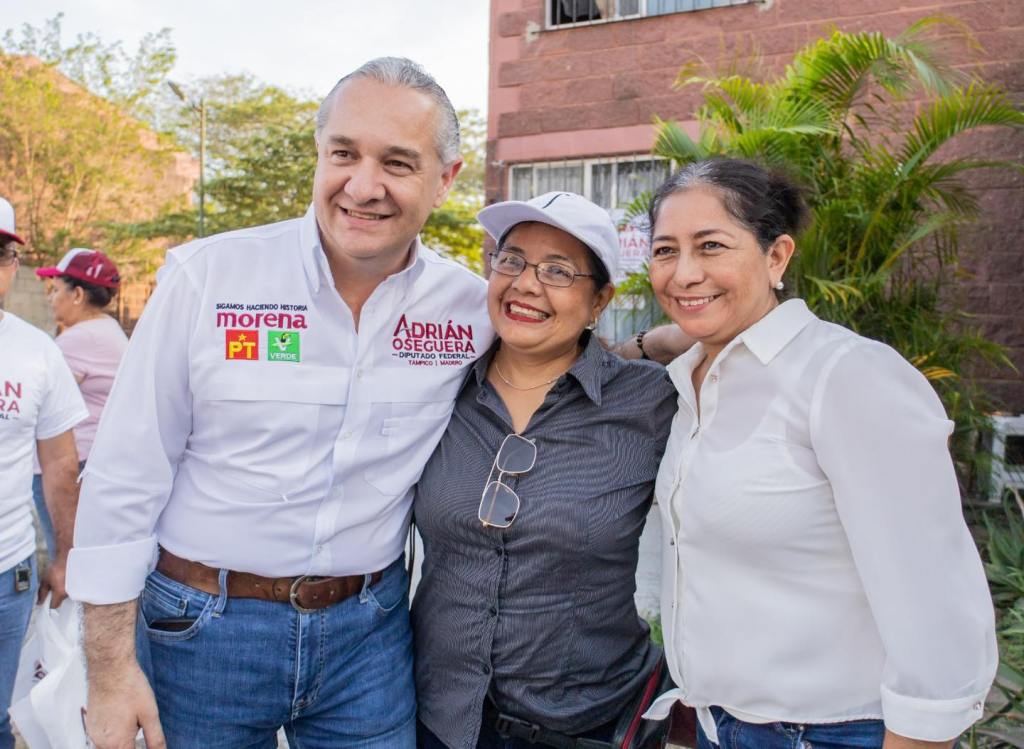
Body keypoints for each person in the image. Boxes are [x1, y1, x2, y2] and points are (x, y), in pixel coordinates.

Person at [66, 58, 493, 749]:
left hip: (371, 638)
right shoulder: (208, 279)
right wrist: (109, 671)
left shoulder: (471, 310)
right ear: (318, 156)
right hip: (198, 633)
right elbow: (124, 473)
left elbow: (561, 353)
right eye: (344, 154)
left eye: (398, 163)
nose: (364, 186)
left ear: (446, 178)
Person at [640, 159, 997, 749]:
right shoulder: (688, 380)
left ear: (777, 257)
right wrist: (647, 345)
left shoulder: (845, 375)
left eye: (711, 247)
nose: (683, 273)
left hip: (831, 733)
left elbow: (935, 600)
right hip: (716, 726)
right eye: (665, 251)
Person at [413, 192, 678, 749]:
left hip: (588, 722)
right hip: (437, 717)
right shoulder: (438, 385)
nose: (526, 284)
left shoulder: (651, 403)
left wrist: (666, 340)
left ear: (600, 298)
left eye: (558, 271)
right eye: (510, 260)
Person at [0, 197, 87, 749]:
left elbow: (60, 463)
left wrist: (66, 557)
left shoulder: (36, 353)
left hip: (4, 575)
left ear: (10, 265)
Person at [29, 248, 127, 558]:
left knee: (66, 560)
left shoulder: (79, 339)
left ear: (78, 294)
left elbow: (41, 403)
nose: (50, 298)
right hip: (93, 460)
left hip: (70, 465)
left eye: (55, 289)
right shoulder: (108, 330)